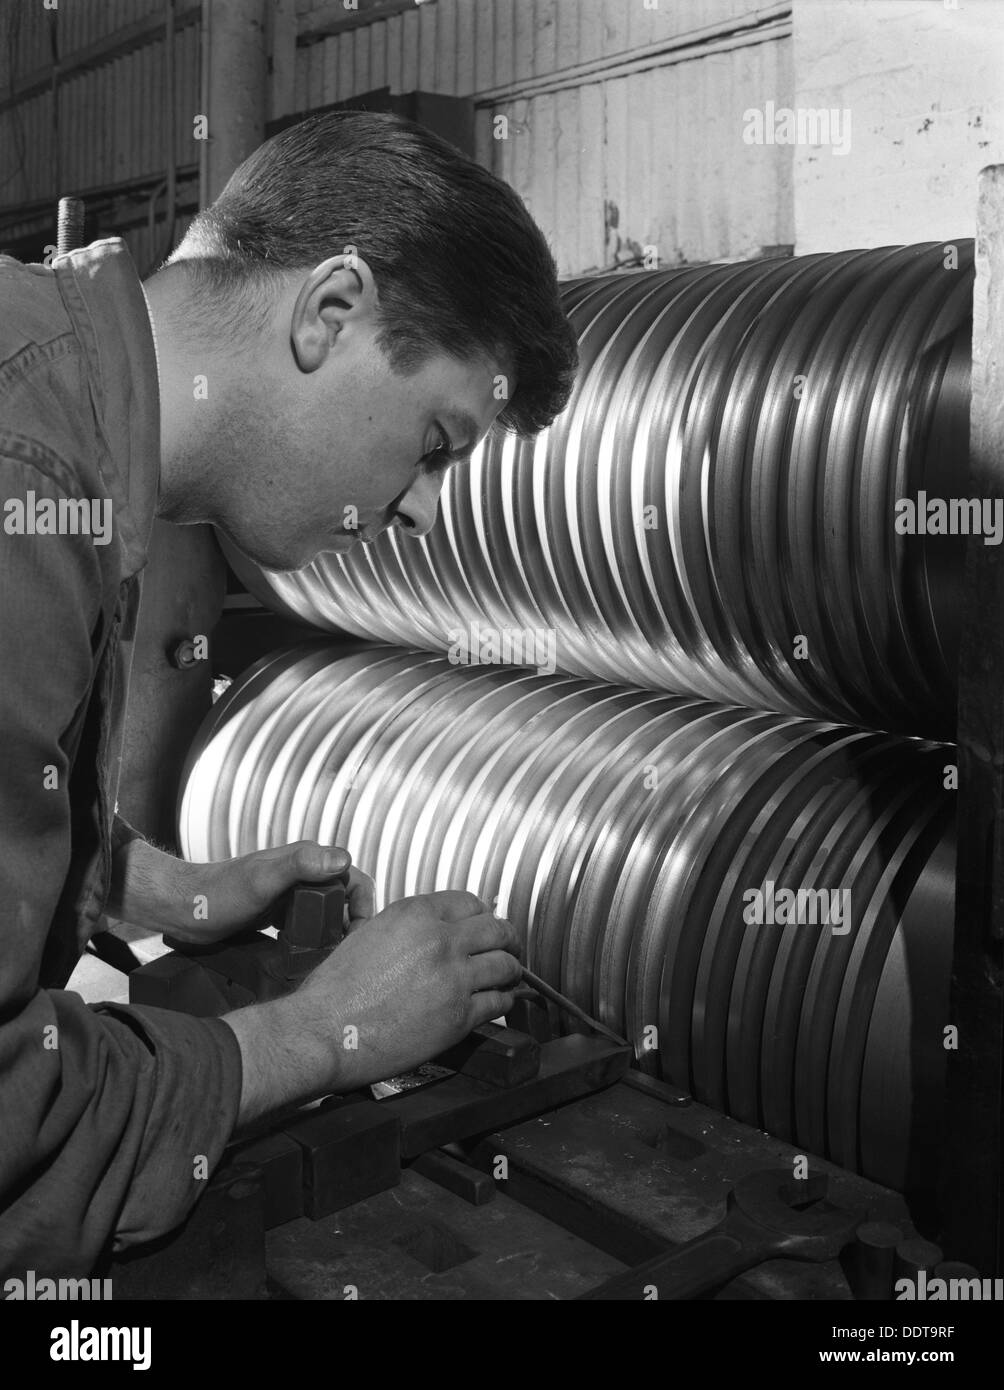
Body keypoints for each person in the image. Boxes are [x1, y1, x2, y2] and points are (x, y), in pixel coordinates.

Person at [0, 110, 578, 1277]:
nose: (418, 511)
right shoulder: (27, 483)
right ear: (329, 312)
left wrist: (141, 884)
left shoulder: (55, 386)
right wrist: (324, 1029)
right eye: (432, 441)